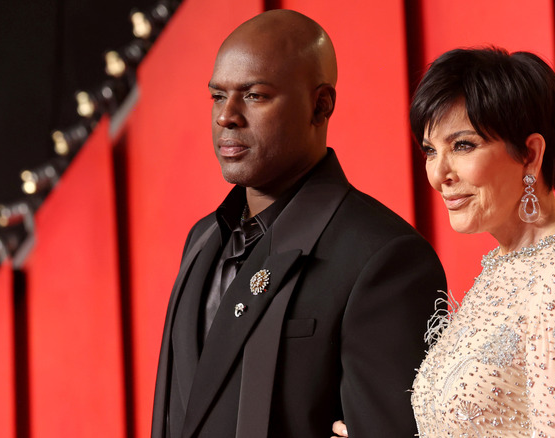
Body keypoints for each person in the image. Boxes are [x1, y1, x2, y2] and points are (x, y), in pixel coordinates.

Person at [151, 9, 446, 438]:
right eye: (218, 96)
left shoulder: (386, 258)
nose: (226, 116)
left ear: (321, 105)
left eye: (254, 95)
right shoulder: (201, 239)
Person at [332, 47, 555, 437]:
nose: (439, 174)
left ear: (530, 154)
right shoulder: (502, 266)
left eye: (462, 146)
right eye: (430, 151)